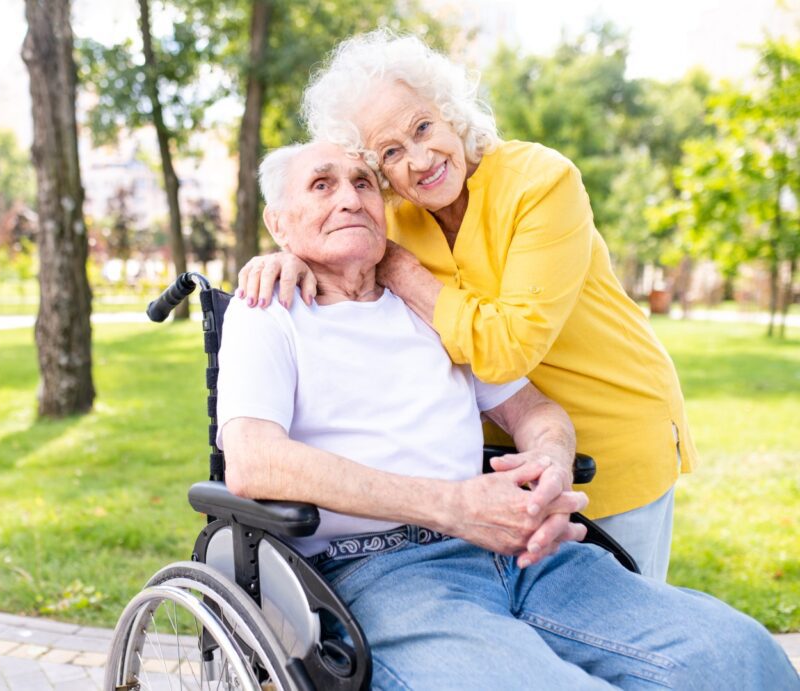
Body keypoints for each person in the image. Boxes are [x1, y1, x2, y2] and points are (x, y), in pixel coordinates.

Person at [217, 140, 798, 689]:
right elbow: (254, 462)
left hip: (519, 551)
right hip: (378, 574)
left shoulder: (427, 305)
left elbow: (537, 410)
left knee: (738, 656)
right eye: (322, 185)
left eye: (364, 183)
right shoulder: (268, 312)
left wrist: (550, 464)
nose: (349, 198)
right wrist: (452, 507)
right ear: (279, 224)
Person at [237, 32, 693, 580]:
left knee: (621, 623)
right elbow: (334, 231)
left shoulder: (540, 183)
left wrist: (399, 269)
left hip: (610, 427)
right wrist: (293, 257)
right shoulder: (398, 216)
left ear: (451, 113)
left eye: (424, 127)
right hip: (500, 460)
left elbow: (504, 352)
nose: (421, 160)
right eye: (390, 154)